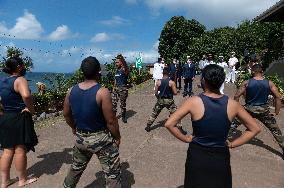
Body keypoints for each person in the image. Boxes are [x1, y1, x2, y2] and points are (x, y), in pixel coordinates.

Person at [165, 64, 261, 188]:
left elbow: (169, 124)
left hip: (197, 154)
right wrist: (232, 144)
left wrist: (186, 138)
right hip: (220, 155)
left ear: (203, 80)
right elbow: (255, 129)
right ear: (221, 81)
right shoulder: (232, 104)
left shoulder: (193, 101)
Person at [63, 56, 121, 188]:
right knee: (112, 173)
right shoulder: (102, 92)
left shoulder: (71, 91)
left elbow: (66, 114)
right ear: (98, 71)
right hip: (101, 139)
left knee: (75, 169)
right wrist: (117, 137)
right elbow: (111, 121)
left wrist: (74, 127)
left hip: (80, 138)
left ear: (82, 72)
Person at [0, 57, 38, 188]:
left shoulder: (2, 80)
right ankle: (22, 180)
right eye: (22, 65)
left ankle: (4, 182)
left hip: (5, 118)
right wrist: (31, 109)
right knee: (20, 150)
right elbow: (26, 95)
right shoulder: (20, 80)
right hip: (18, 117)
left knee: (7, 151)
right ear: (19, 67)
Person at [233, 64, 284, 158]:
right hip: (263, 111)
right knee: (276, 131)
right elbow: (278, 97)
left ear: (253, 71)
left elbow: (236, 96)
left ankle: (220, 142)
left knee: (231, 124)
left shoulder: (247, 82)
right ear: (262, 72)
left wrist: (238, 110)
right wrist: (276, 112)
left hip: (248, 109)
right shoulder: (269, 83)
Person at [145, 67, 184, 133]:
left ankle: (148, 126)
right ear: (169, 73)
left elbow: (155, 93)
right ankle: (180, 128)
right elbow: (175, 93)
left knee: (154, 113)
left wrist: (158, 98)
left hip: (160, 100)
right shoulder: (171, 82)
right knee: (176, 114)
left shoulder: (158, 82)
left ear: (162, 73)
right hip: (169, 100)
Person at [112, 54, 129, 123]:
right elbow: (115, 79)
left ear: (121, 62)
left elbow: (125, 66)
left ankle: (123, 117)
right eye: (115, 62)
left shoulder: (124, 69)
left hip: (123, 88)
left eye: (117, 62)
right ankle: (113, 117)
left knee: (122, 104)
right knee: (113, 103)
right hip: (116, 88)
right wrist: (113, 87)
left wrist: (121, 57)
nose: (116, 64)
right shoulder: (117, 70)